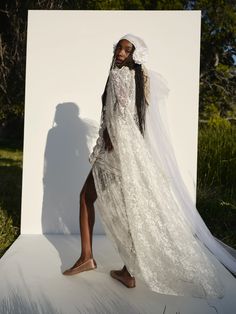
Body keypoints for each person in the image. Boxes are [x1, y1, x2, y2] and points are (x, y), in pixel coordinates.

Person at [63, 34, 236, 298]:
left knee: (87, 197)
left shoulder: (118, 75)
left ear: (134, 54)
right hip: (131, 148)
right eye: (118, 48)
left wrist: (108, 140)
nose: (120, 53)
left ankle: (88, 257)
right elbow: (133, 117)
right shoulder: (138, 78)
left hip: (115, 149)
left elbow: (118, 114)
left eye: (126, 49)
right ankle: (128, 271)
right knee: (131, 207)